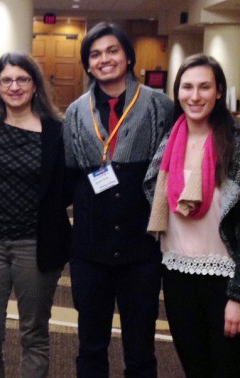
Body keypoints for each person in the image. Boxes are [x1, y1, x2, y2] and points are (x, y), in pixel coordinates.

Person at [144, 54, 240, 378]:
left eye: (204, 87)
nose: (195, 96)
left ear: (219, 91)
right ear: (177, 92)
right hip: (177, 277)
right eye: (187, 87)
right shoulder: (168, 142)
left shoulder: (239, 145)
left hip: (226, 282)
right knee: (195, 371)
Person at [63, 22, 175, 377]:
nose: (104, 59)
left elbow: (167, 173)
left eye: (112, 51)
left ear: (128, 57)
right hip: (90, 249)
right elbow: (70, 177)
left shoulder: (160, 107)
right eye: (95, 54)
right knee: (90, 347)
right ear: (87, 64)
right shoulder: (75, 112)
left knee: (140, 349)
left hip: (141, 249)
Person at [0, 52, 72, 378]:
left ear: (34, 85)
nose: (14, 86)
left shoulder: (56, 131)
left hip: (36, 244)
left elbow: (67, 186)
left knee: (34, 334)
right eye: (7, 80)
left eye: (22, 79)